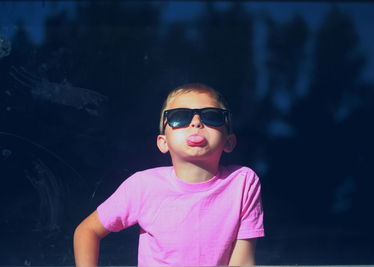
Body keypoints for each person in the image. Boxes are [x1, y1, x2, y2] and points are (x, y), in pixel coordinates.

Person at [73, 83, 264, 266]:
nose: (196, 123)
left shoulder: (243, 182)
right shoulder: (143, 186)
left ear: (229, 142)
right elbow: (87, 231)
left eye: (211, 116)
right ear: (163, 142)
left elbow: (243, 262)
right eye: (180, 116)